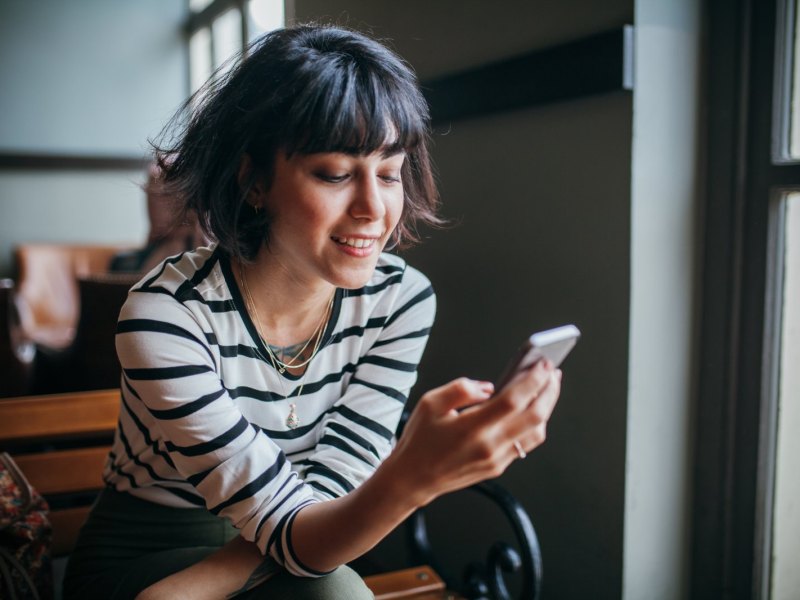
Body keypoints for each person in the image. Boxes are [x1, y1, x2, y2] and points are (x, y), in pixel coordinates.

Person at [63, 24, 562, 600]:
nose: (374, 209)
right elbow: (300, 535)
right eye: (336, 174)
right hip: (145, 551)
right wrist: (416, 476)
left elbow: (324, 500)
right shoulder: (167, 317)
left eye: (390, 173)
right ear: (253, 180)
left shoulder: (400, 300)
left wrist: (198, 588)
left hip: (297, 536)